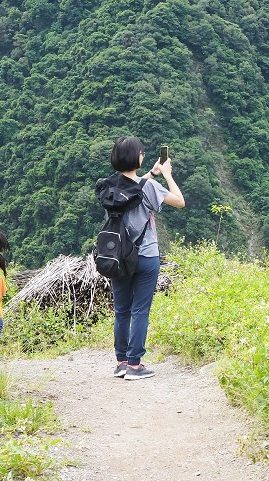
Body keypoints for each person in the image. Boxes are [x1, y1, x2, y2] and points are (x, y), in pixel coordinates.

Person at [106, 136, 185, 380]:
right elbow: (180, 202)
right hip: (146, 255)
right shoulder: (149, 187)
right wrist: (168, 175)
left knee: (122, 310)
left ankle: (121, 362)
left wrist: (151, 173)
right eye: (141, 153)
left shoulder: (109, 186)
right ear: (137, 158)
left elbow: (133, 188)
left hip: (118, 256)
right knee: (140, 309)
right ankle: (135, 364)